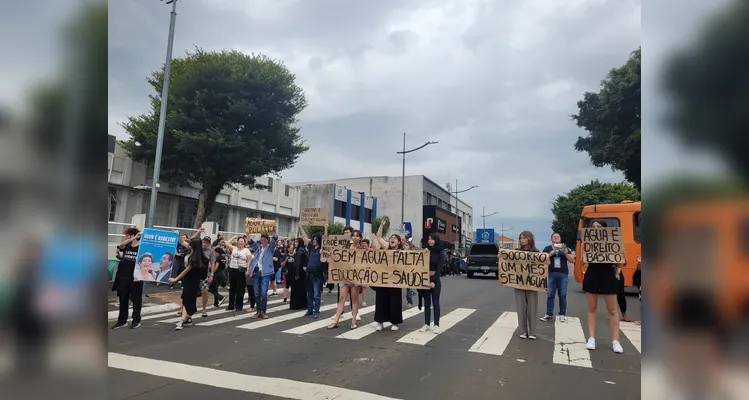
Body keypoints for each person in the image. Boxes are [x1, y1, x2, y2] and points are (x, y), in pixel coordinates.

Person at [582, 219, 625, 354]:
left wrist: (621, 255)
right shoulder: (587, 243)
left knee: (612, 310)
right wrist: (584, 252)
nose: (595, 228)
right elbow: (583, 263)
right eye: (593, 226)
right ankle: (591, 338)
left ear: (605, 229)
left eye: (598, 226)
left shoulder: (614, 243)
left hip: (609, 275)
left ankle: (615, 341)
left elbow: (619, 265)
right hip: (592, 275)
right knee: (591, 308)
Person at [168, 238, 208, 330]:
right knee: (186, 299)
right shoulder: (194, 253)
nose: (188, 244)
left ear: (193, 245)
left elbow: (186, 270)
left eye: (190, 243)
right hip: (189, 280)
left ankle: (182, 320)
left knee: (187, 300)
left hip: (192, 280)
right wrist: (177, 234)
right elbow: (182, 241)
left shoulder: (194, 257)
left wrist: (175, 279)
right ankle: (188, 318)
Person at [373, 217, 404, 331]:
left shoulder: (402, 252)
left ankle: (395, 322)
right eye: (391, 238)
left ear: (399, 242)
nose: (392, 239)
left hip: (395, 280)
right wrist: (381, 226)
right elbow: (379, 237)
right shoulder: (386, 247)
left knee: (395, 301)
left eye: (394, 238)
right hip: (383, 279)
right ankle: (380, 321)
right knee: (381, 300)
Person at [111, 228, 143, 329]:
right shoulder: (127, 245)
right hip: (123, 276)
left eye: (127, 235)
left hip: (136, 277)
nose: (126, 237)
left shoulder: (141, 247)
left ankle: (136, 320)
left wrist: (137, 237)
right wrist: (133, 238)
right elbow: (120, 245)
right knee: (123, 298)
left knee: (136, 300)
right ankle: (122, 320)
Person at [511, 231, 541, 339]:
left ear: (529, 239)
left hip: (532, 283)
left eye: (524, 238)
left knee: (532, 307)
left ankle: (532, 331)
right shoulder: (516, 252)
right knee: (521, 307)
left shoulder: (537, 252)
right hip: (519, 283)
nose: (521, 240)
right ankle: (522, 331)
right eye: (520, 238)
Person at [540, 233, 574, 322]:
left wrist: (566, 253)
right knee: (550, 294)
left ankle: (562, 314)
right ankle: (549, 314)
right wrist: (551, 254)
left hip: (563, 274)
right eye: (554, 236)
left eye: (557, 236)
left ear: (560, 238)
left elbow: (572, 260)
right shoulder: (547, 248)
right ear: (551, 239)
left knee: (562, 295)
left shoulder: (565, 248)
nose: (556, 237)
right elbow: (542, 259)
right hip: (551, 273)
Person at [248, 229, 279, 319]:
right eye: (261, 240)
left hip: (265, 272)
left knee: (263, 292)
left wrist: (274, 231)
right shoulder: (258, 247)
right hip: (257, 271)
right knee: (257, 292)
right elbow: (250, 242)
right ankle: (258, 311)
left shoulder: (270, 248)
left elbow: (274, 239)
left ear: (267, 240)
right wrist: (247, 232)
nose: (262, 242)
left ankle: (264, 311)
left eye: (264, 240)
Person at [300, 223, 327, 319]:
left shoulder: (322, 249)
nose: (314, 240)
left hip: (317, 274)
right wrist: (301, 227)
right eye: (313, 239)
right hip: (309, 273)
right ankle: (310, 310)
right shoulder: (311, 247)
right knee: (309, 293)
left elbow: (326, 240)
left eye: (315, 239)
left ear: (319, 240)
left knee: (316, 294)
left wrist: (325, 228)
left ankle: (316, 311)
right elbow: (305, 238)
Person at [418, 234, 442, 333]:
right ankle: (427, 323)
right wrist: (424, 253)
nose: (430, 241)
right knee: (427, 303)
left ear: (436, 240)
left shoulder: (440, 253)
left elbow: (439, 269)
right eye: (429, 239)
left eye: (432, 239)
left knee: (435, 302)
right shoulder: (426, 251)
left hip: (435, 279)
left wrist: (433, 281)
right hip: (425, 279)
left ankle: (436, 324)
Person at [225, 236, 251, 312]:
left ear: (244, 242)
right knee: (232, 288)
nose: (240, 242)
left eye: (242, 241)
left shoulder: (246, 250)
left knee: (240, 289)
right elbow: (226, 243)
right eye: (239, 241)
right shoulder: (234, 248)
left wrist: (247, 270)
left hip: (241, 270)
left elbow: (249, 261)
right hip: (233, 269)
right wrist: (233, 237)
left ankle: (239, 306)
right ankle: (231, 305)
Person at [288, 238, 308, 310]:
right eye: (294, 242)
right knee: (302, 289)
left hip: (298, 273)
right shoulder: (303, 250)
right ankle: (303, 304)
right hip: (302, 273)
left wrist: (296, 274)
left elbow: (298, 263)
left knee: (297, 290)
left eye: (296, 242)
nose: (295, 243)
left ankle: (297, 305)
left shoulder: (299, 251)